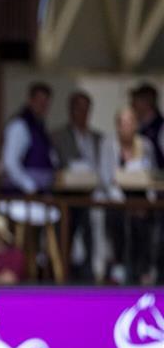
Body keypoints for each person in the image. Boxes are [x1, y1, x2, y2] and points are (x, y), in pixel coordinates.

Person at [100, 106, 159, 284]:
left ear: (136, 124)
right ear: (117, 125)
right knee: (118, 222)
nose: (127, 127)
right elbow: (105, 177)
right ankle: (119, 265)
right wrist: (123, 202)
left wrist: (148, 201)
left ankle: (144, 269)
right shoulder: (109, 145)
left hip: (140, 199)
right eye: (123, 123)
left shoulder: (145, 145)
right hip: (117, 199)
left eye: (131, 122)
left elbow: (151, 175)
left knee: (144, 225)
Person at [51, 91, 103, 280]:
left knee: (91, 235)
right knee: (65, 235)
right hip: (67, 196)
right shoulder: (58, 136)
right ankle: (63, 274)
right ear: (70, 110)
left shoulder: (98, 138)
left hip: (92, 195)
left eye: (86, 109)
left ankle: (90, 273)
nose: (82, 113)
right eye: (78, 108)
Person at [0, 82, 58, 194]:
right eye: (39, 101)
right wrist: (29, 186)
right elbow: (9, 162)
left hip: (41, 192)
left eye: (45, 102)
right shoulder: (19, 126)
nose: (42, 106)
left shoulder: (41, 128)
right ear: (30, 100)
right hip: (22, 197)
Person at [130, 82, 164, 170]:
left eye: (136, 100)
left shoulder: (161, 127)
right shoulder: (138, 128)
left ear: (147, 101)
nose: (132, 105)